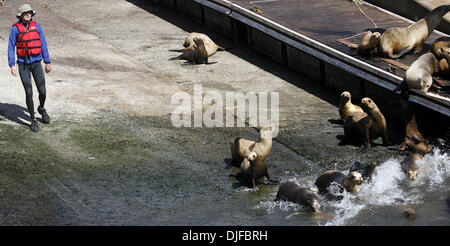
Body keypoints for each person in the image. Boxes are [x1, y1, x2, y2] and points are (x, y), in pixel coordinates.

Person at [8, 4, 52, 132]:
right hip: (23, 64)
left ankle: (42, 109)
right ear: (21, 15)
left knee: (42, 91)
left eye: (30, 12)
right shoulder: (15, 29)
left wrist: (47, 61)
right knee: (29, 92)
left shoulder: (36, 26)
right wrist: (12, 65)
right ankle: (33, 119)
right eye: (26, 12)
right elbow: (11, 47)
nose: (28, 14)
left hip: (37, 63)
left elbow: (43, 43)